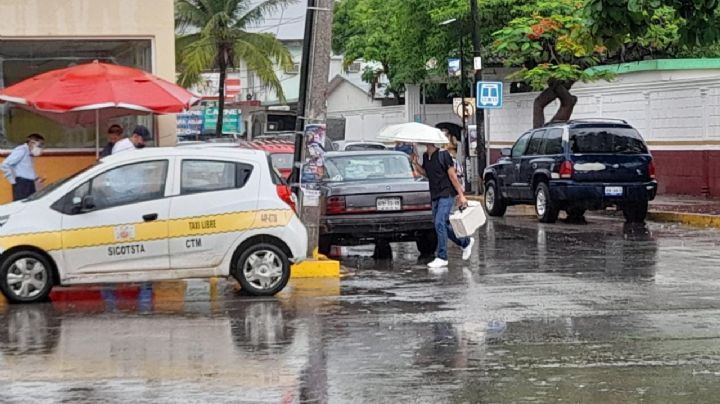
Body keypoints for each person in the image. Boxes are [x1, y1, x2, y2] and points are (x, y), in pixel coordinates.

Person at [412, 143, 474, 269]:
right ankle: (465, 242)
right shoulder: (426, 156)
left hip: (446, 193)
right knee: (440, 224)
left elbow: (452, 176)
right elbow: (426, 173)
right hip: (435, 194)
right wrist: (415, 163)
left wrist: (461, 195)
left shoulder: (443, 155)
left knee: (440, 222)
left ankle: (442, 257)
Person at [1, 133, 45, 201]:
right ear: (31, 143)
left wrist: (36, 178)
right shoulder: (22, 150)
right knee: (21, 205)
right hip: (22, 184)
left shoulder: (29, 153)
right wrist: (12, 180)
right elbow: (5, 164)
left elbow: (27, 168)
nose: (41, 148)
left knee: (30, 205)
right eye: (39, 145)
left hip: (30, 184)